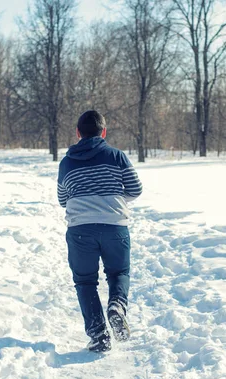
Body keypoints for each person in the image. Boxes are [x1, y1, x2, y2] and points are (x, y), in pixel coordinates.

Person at [57, 110, 143, 352]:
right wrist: (113, 198)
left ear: (77, 133)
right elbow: (136, 189)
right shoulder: (117, 156)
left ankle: (98, 335)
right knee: (118, 273)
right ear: (103, 132)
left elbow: (63, 199)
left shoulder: (66, 163)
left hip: (80, 229)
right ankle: (117, 305)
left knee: (85, 281)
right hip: (115, 225)